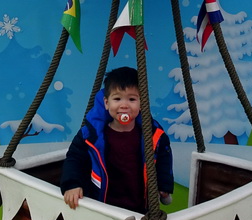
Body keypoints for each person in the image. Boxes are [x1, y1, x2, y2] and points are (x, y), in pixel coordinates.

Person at [60, 66, 174, 212]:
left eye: (132, 99)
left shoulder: (153, 134)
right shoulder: (91, 135)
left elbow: (164, 157)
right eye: (117, 99)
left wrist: (164, 186)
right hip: (102, 205)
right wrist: (72, 184)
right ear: (107, 103)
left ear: (141, 103)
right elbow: (75, 159)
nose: (124, 105)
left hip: (139, 206)